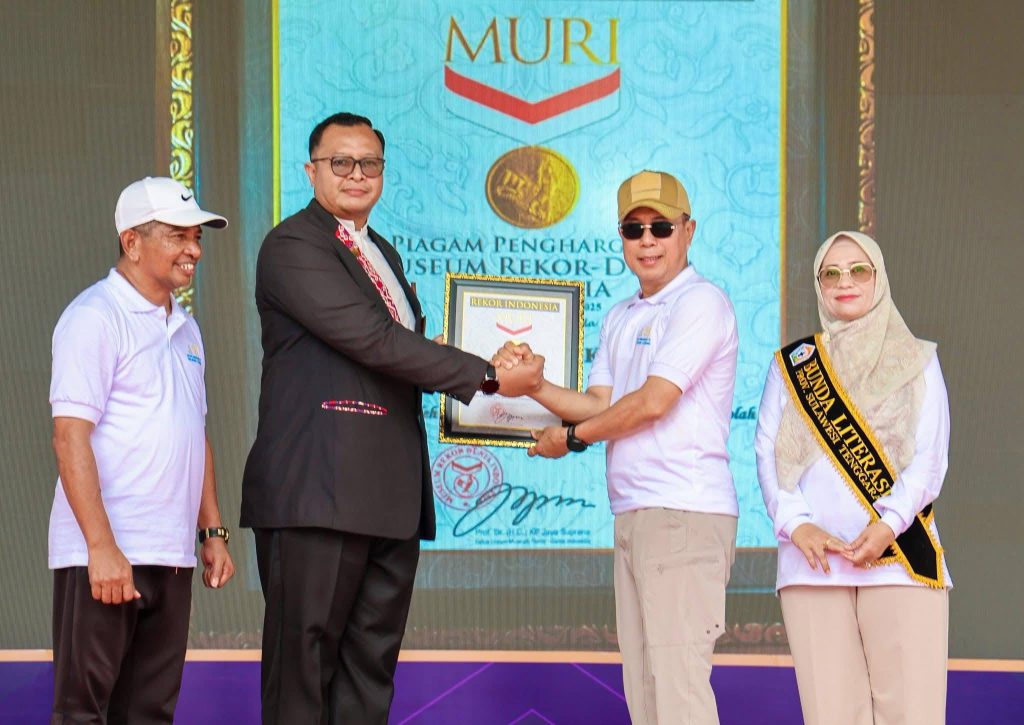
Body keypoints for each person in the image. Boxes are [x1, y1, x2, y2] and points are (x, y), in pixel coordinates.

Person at [241, 112, 543, 724]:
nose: (357, 174)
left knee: (368, 675)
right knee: (303, 674)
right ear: (311, 171)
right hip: (318, 493)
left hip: (388, 496)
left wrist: (487, 361)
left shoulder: (384, 252)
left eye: (370, 163)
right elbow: (373, 340)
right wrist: (487, 375)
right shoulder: (293, 245)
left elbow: (402, 352)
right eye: (340, 162)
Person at [496, 170, 739, 724]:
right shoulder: (621, 315)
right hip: (635, 513)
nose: (647, 240)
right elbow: (598, 403)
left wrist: (571, 439)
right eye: (634, 229)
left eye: (661, 227)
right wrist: (533, 386)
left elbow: (653, 402)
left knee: (678, 695)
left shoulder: (701, 302)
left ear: (688, 231)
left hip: (683, 512)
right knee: (646, 695)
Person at [48, 177, 235, 723]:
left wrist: (212, 532)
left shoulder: (187, 328)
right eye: (178, 236)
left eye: (197, 237)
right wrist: (101, 547)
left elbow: (193, 432)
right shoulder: (94, 316)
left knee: (149, 713)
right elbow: (69, 436)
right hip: (105, 555)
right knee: (84, 713)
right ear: (131, 242)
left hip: (170, 556)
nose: (194, 250)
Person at [754, 231, 951, 725]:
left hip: (900, 560)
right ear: (819, 284)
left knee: (913, 714)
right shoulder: (793, 365)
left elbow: (929, 459)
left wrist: (888, 525)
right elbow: (767, 452)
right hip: (813, 566)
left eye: (859, 270)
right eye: (832, 273)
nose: (845, 282)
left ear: (879, 278)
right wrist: (797, 525)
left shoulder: (918, 359)